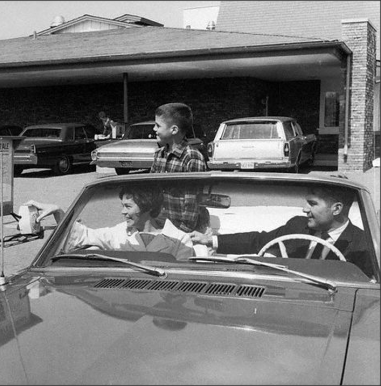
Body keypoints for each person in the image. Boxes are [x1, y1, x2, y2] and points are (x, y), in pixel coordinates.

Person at [189, 185, 375, 277]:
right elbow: (259, 240)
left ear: (336, 209)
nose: (304, 209)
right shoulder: (297, 225)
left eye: (312, 204)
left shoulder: (364, 245)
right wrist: (210, 240)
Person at [24, 184, 196, 260]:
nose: (122, 212)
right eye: (122, 206)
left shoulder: (180, 240)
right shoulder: (118, 232)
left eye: (128, 206)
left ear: (148, 206)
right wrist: (58, 211)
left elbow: (184, 284)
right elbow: (83, 236)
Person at [150, 102, 207, 233]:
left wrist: (183, 231)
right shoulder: (159, 155)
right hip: (160, 225)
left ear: (174, 130)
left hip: (183, 230)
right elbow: (151, 190)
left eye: (158, 125)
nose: (154, 129)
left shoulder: (191, 157)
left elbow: (193, 200)